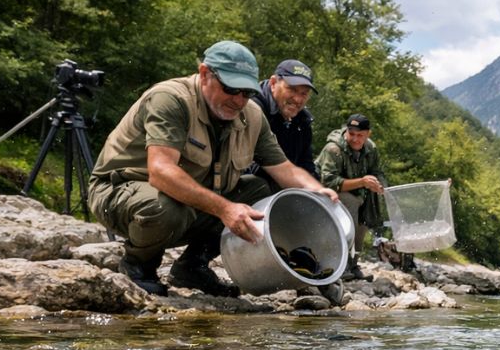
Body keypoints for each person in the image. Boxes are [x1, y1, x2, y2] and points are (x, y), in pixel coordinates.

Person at [88, 41, 338, 297]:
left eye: (247, 93)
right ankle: (138, 266)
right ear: (205, 73)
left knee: (261, 189)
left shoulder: (252, 115)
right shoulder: (170, 99)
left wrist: (319, 191)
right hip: (118, 192)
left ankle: (191, 267)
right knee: (165, 208)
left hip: (187, 204)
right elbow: (161, 171)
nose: (239, 100)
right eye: (231, 89)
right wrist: (225, 209)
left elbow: (284, 168)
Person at [315, 113, 387, 281]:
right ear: (346, 131)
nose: (355, 139)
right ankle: (341, 264)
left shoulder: (371, 149)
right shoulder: (333, 149)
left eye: (360, 135)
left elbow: (378, 172)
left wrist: (380, 186)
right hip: (323, 195)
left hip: (357, 193)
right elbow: (329, 181)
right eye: (351, 134)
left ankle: (353, 264)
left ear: (368, 134)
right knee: (351, 203)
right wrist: (362, 182)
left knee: (365, 215)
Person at [249, 59, 317, 188]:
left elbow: (307, 166)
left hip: (286, 187)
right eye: (291, 89)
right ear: (273, 83)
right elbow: (248, 166)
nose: (297, 99)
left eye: (304, 93)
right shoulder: (251, 109)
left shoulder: (303, 121)